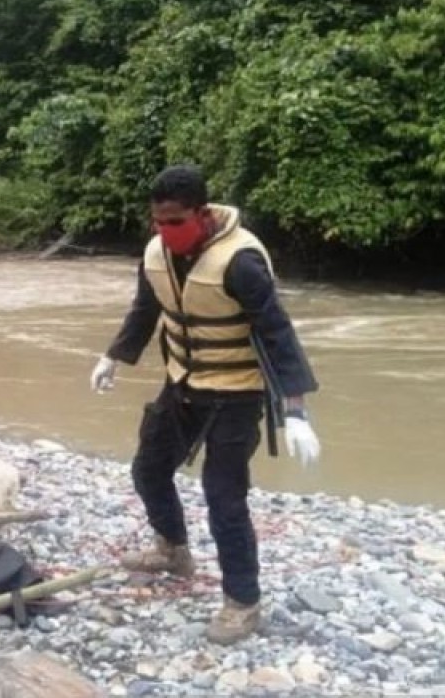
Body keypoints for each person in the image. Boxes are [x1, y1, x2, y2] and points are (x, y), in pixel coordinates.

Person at [89, 165, 321, 645]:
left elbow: (278, 334)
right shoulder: (156, 254)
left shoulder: (239, 261)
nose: (165, 231)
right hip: (184, 383)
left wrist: (295, 411)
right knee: (148, 469)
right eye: (158, 221)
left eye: (175, 221)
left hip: (237, 391)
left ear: (201, 213)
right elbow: (145, 311)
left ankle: (243, 602)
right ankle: (173, 549)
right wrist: (112, 356)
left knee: (223, 496)